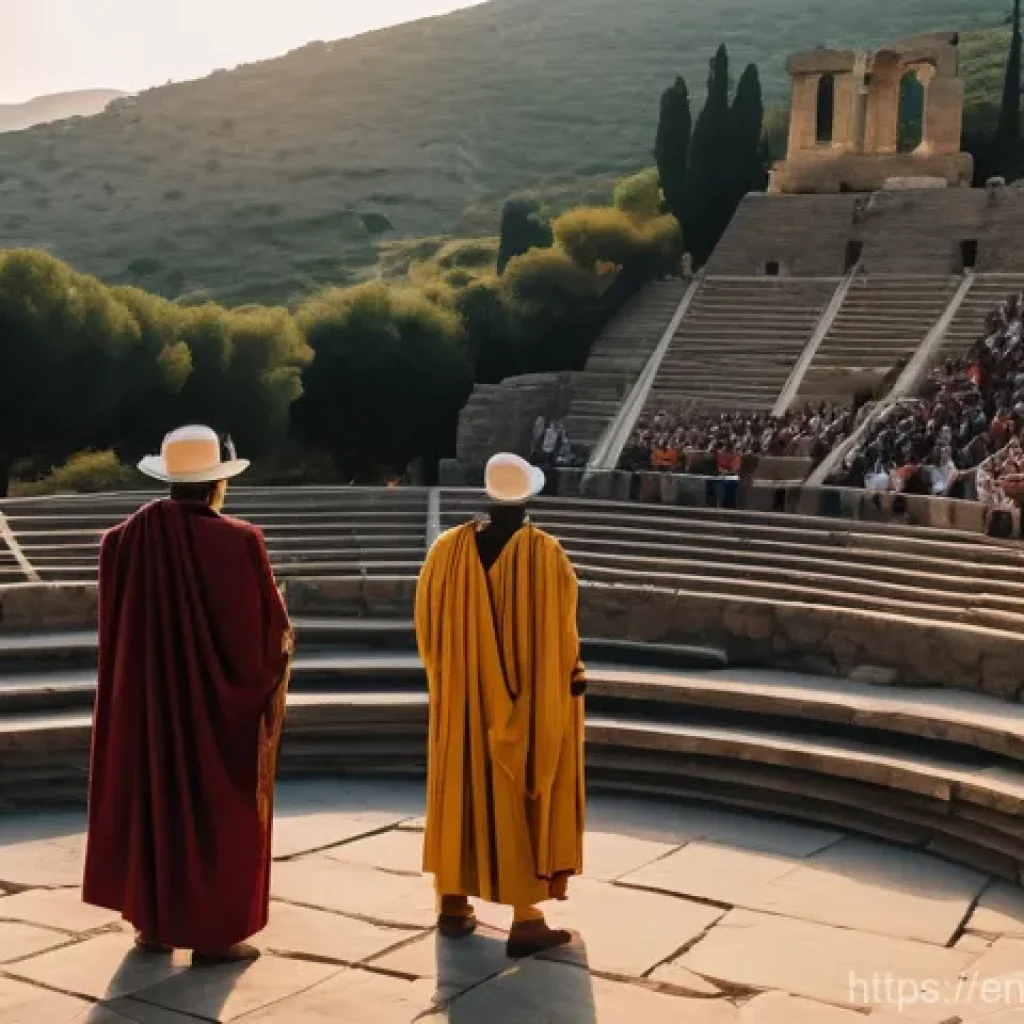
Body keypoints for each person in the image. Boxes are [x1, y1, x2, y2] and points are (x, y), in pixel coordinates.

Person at [83, 425, 293, 965]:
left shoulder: (119, 542)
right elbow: (265, 641)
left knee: (154, 804)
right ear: (218, 483)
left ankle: (152, 926)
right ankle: (215, 936)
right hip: (219, 712)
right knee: (219, 811)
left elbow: (116, 637)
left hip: (145, 708)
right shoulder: (241, 541)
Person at [415, 452, 585, 959]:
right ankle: (526, 919)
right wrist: (561, 689)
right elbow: (560, 639)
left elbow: (426, 630)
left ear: (488, 495)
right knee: (520, 796)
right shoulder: (545, 554)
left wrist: (456, 686)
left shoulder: (446, 550)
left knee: (459, 794)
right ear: (528, 496)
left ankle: (452, 903)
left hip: (461, 704)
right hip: (523, 704)